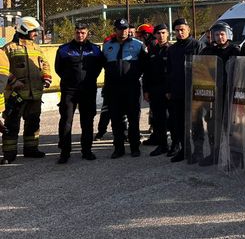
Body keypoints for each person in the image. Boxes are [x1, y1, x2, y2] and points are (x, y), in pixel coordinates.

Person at [1, 17, 52, 164]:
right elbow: (2, 69)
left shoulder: (37, 48)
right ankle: (9, 154)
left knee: (33, 123)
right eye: (33, 31)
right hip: (15, 96)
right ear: (24, 29)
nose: (35, 34)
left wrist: (46, 76)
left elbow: (45, 64)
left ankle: (31, 149)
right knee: (11, 125)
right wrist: (13, 81)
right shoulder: (8, 48)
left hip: (34, 94)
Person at [55, 23, 104, 163]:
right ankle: (65, 152)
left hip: (88, 90)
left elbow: (99, 67)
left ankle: (87, 150)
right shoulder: (64, 49)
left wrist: (89, 79)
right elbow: (58, 68)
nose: (80, 35)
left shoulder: (95, 49)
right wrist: (70, 79)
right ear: (74, 33)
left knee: (87, 121)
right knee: (66, 121)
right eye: (77, 32)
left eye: (83, 32)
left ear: (87, 33)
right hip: (69, 90)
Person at [103, 18, 147, 158]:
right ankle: (118, 148)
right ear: (115, 30)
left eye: (125, 29)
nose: (123, 31)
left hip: (131, 88)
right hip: (114, 89)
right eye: (120, 29)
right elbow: (104, 65)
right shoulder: (107, 46)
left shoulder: (138, 45)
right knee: (116, 120)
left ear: (129, 29)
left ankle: (135, 147)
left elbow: (145, 65)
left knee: (133, 118)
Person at [198, 21, 240, 166]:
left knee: (232, 127)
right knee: (212, 125)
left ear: (228, 34)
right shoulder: (208, 51)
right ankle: (214, 154)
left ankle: (234, 158)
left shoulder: (235, 50)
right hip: (212, 95)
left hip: (229, 94)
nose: (220, 37)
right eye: (217, 34)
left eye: (222, 34)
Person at [166, 18, 205, 162]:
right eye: (177, 30)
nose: (180, 32)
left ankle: (198, 151)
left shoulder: (197, 45)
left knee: (196, 123)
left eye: (182, 29)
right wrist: (168, 90)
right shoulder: (172, 49)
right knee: (180, 124)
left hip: (193, 92)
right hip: (177, 92)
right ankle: (185, 150)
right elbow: (169, 71)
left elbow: (203, 69)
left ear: (188, 29)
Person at [143, 24, 172, 156]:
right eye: (158, 33)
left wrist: (170, 89)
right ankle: (162, 145)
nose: (161, 36)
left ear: (168, 34)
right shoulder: (152, 50)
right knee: (158, 119)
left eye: (163, 33)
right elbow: (147, 72)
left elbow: (174, 72)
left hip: (168, 91)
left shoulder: (172, 49)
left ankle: (176, 145)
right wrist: (146, 90)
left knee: (171, 119)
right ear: (154, 35)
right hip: (155, 90)